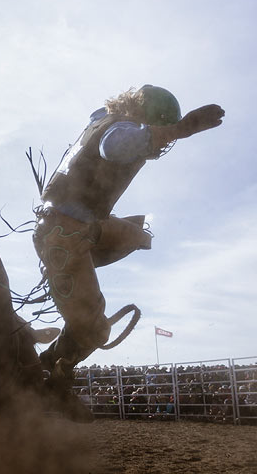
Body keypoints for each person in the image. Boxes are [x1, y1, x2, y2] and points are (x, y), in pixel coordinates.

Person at [34, 85, 224, 393]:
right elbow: (116, 146)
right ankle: (53, 372)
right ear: (149, 119)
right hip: (65, 233)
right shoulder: (120, 127)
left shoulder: (101, 121)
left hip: (65, 226)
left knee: (137, 232)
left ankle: (54, 360)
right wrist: (181, 129)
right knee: (95, 331)